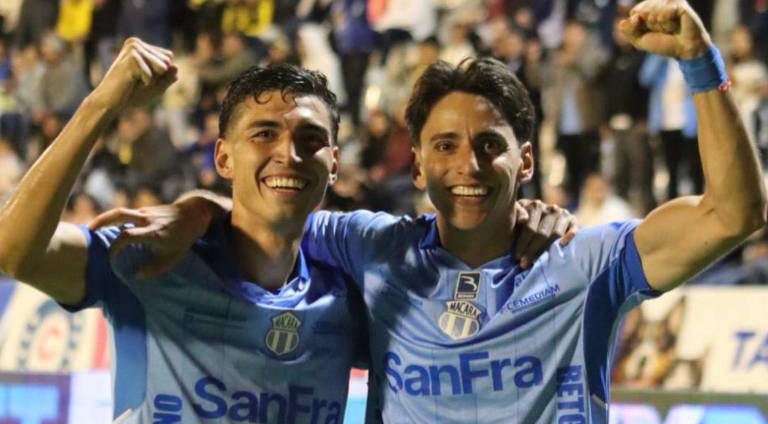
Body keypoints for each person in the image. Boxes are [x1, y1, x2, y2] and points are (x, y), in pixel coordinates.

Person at [102, 0, 766, 422]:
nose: (468, 165)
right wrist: (197, 208)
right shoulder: (371, 246)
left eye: (489, 146)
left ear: (525, 162)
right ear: (417, 166)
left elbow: (734, 215)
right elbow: (272, 206)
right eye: (445, 146)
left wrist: (699, 62)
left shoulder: (583, 261)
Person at [0, 38, 570, 421]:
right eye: (264, 134)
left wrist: (519, 214)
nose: (289, 155)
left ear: (334, 164)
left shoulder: (351, 292)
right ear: (223, 157)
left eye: (310, 140)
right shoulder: (157, 257)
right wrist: (102, 104)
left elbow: (458, 249)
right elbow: (14, 250)